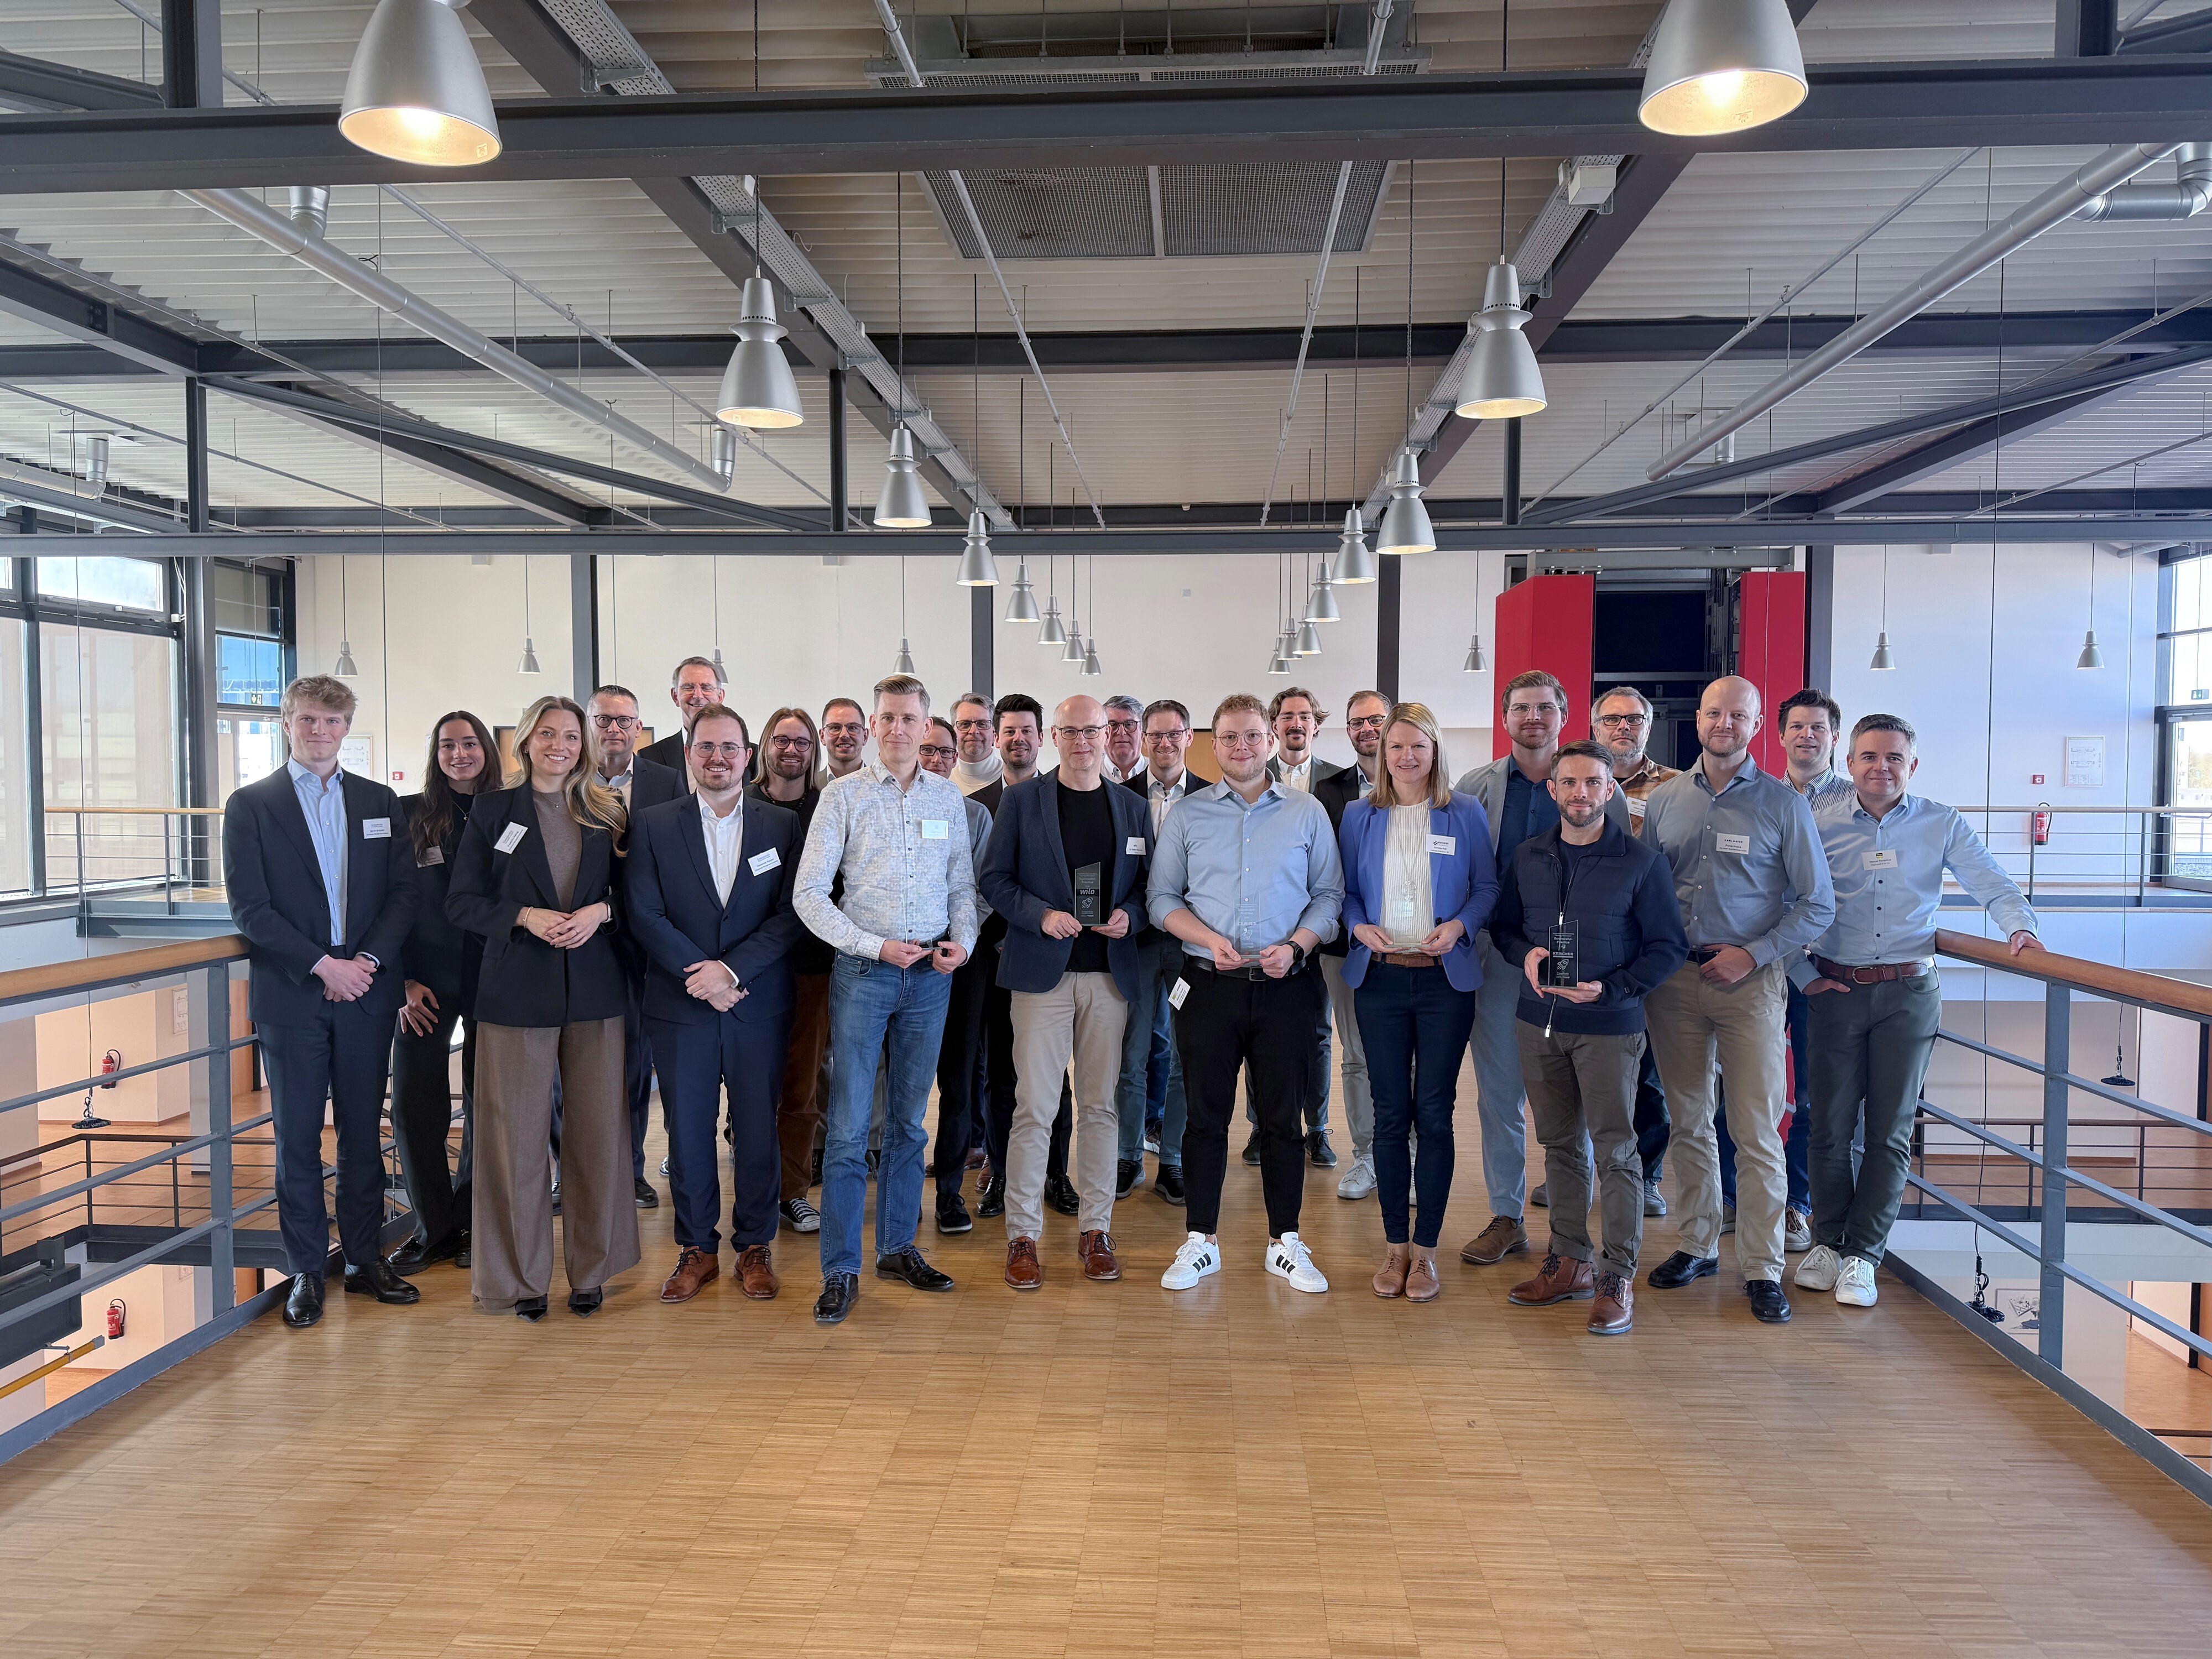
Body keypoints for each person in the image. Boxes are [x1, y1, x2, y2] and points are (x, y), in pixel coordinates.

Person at [1793, 714, 2038, 1309]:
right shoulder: (1815, 820)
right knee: (1826, 1125)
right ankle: (1826, 1242)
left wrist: (2021, 928)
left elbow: (1992, 882)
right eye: (1869, 756)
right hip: (1833, 989)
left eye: (1894, 757)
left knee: (1890, 1131)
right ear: (1848, 763)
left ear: (1912, 765)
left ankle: (1862, 1256)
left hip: (1908, 993)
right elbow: (1783, 898)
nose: (1882, 767)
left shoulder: (1940, 821)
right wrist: (1800, 975)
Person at [223, 675, 420, 1329]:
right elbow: (251, 909)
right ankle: (307, 1268)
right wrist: (320, 965)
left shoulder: (379, 801)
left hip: (364, 992)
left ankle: (365, 1261)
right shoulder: (251, 805)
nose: (319, 733)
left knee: (364, 1136)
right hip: (295, 995)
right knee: (297, 1142)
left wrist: (363, 964)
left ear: (346, 729)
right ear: (287, 723)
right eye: (308, 720)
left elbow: (402, 895)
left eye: (332, 723)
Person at [1637, 676, 1835, 1326]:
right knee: (1689, 1121)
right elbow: (1642, 895)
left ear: (1756, 726)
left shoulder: (1784, 805)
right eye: (1715, 713)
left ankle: (1762, 1266)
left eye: (1739, 715)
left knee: (1754, 1130)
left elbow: (1817, 904)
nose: (1725, 724)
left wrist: (1751, 954)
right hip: (1675, 985)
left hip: (1751, 984)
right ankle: (1696, 1243)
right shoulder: (1665, 802)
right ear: (1698, 720)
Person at [792, 674, 978, 1325]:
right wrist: (872, 948)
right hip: (865, 974)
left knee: (906, 1123)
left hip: (931, 976)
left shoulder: (947, 801)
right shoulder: (841, 797)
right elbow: (809, 894)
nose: (898, 729)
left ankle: (898, 1246)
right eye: (888, 718)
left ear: (927, 727)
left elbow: (962, 887)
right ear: (872, 726)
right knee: (847, 1130)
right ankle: (841, 1268)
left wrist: (965, 943)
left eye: (910, 719)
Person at [447, 695, 639, 1321]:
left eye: (571, 736)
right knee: (514, 1142)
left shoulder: (606, 809)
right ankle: (520, 1280)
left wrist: (600, 912)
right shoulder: (491, 810)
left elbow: (634, 897)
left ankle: (592, 1270)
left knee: (598, 1134)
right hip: (513, 993)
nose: (561, 745)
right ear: (526, 740)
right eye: (548, 734)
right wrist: (522, 916)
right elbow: (462, 903)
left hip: (595, 989)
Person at [1490, 741, 1687, 1335]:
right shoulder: (1527, 857)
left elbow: (1667, 948)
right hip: (1537, 1023)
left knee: (1616, 1151)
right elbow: (1502, 928)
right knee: (1559, 1149)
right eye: (1568, 782)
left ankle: (1615, 1275)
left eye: (1591, 783)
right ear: (1552, 790)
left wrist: (1612, 990)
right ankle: (1569, 1262)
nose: (1579, 793)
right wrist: (1525, 956)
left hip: (1608, 1028)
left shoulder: (1640, 862)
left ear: (1610, 790)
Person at [1150, 693, 1343, 1296]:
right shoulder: (1187, 816)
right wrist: (1208, 939)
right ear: (1213, 745)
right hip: (1208, 987)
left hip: (1288, 986)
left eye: (1252, 735)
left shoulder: (1307, 812)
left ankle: (1284, 1241)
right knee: (1204, 1119)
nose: (1242, 746)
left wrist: (1299, 944)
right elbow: (1161, 901)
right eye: (1229, 737)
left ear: (1271, 740)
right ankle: (1201, 1241)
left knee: (1284, 1122)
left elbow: (1329, 897)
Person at [625, 706, 805, 1306]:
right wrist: (699, 975)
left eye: (729, 747)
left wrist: (729, 971)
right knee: (688, 1134)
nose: (717, 758)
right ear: (688, 754)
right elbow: (643, 913)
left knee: (757, 1129)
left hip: (756, 1002)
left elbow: (790, 915)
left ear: (747, 755)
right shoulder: (652, 824)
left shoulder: (780, 827)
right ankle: (696, 1248)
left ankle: (754, 1246)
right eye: (705, 747)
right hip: (682, 1008)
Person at [1453, 671, 1629, 1271]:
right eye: (1521, 708)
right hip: (1502, 956)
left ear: (1564, 714)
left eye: (1545, 707)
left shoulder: (1600, 786)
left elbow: (1623, 875)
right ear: (1505, 718)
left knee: (1572, 1094)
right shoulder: (1473, 789)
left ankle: (1568, 1218)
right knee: (1500, 1095)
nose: (1533, 717)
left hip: (1581, 965)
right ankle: (1506, 1215)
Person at [980, 694, 1152, 1289]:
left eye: (1093, 731)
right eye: (1071, 731)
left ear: (1109, 735)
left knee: (1101, 1107)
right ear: (1054, 737)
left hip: (1109, 973)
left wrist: (1131, 914)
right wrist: (1040, 915)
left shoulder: (1132, 808)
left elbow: (1149, 886)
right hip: (1040, 976)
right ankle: (1022, 1236)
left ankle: (1094, 1230)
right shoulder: (1023, 801)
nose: (1083, 741)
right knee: (1035, 1108)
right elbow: (994, 880)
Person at [1337, 702, 1497, 1303]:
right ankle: (1393, 1249)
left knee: (1433, 1112)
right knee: (1388, 1113)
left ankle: (1426, 1253)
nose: (1406, 757)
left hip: (1441, 982)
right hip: (1378, 979)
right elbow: (1348, 892)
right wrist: (1357, 928)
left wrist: (1459, 927)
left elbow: (1487, 887)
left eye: (1417, 747)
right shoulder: (1358, 815)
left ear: (1435, 751)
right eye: (1396, 747)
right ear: (1382, 754)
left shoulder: (1464, 813)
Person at [1718, 686, 1845, 1253]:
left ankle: (1795, 1205)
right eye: (1797, 726)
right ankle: (1733, 1198)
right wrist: (1789, 963)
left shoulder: (1855, 804)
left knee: (1814, 1099)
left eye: (1819, 727)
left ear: (1833, 737)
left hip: (1829, 976)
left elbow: (1824, 898)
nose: (1807, 735)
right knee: (1736, 1092)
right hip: (1766, 970)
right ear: (1779, 733)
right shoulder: (1754, 799)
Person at [388, 709, 495, 1276]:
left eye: (469, 743)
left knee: (489, 1107)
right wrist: (401, 980)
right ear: (436, 753)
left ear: (486, 750)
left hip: (494, 977)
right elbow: (389, 901)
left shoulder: (509, 809)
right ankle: (432, 1229)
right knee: (413, 1106)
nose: (459, 754)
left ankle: (473, 1225)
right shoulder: (409, 816)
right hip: (423, 984)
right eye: (448, 745)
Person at [974, 692, 1074, 1218]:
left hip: (1046, 955)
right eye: (1007, 731)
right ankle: (1001, 1170)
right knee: (999, 1072)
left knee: (1052, 1072)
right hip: (991, 957)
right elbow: (978, 882)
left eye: (1026, 730)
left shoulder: (1062, 795)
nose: (1017, 739)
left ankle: (1056, 1173)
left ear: (1043, 738)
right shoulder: (977, 804)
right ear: (997, 738)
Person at [589, 683, 685, 1208]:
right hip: (584, 942)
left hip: (646, 941)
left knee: (635, 1064)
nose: (615, 729)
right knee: (578, 1070)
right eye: (604, 719)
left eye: (625, 721)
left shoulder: (667, 781)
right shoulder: (569, 780)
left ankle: (632, 1172)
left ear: (639, 727)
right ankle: (578, 1172)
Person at [1255, 685, 1344, 1169]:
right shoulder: (1252, 775)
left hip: (1319, 930)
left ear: (1316, 725)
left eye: (1304, 716)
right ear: (1275, 725)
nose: (1295, 723)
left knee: (1318, 1034)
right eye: (1287, 715)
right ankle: (1258, 1127)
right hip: (1267, 929)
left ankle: (1319, 1129)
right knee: (1260, 1030)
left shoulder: (1336, 783)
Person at [750, 706, 831, 1233]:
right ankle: (755, 1189)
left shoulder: (829, 805)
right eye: (782, 740)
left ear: (813, 750)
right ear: (765, 746)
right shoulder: (740, 803)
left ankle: (794, 1190)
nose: (791, 750)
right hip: (748, 967)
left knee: (801, 1085)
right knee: (751, 1086)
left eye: (802, 742)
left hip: (812, 964)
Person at [1116, 698, 1196, 1206]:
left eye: (1174, 735)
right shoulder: (1117, 797)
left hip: (1193, 948)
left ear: (1189, 736)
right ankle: (1127, 1156)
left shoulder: (1216, 797)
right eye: (1156, 735)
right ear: (1142, 740)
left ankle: (1174, 1161)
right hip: (1138, 944)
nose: (1164, 744)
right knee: (1133, 1053)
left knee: (1188, 1055)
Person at [922, 714, 997, 1236]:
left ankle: (950, 1194)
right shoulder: (878, 806)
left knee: (957, 1081)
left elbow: (985, 889)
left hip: (962, 963)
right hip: (896, 961)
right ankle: (895, 1194)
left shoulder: (974, 816)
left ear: (956, 760)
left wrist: (958, 942)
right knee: (899, 1086)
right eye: (928, 750)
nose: (936, 760)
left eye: (945, 753)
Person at [1316, 688, 1388, 1201]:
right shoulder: (1328, 790)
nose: (1367, 729)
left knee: (1406, 1058)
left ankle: (1402, 1153)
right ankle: (1366, 1156)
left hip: (1414, 944)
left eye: (1376, 720)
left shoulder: (1425, 786)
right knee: (1357, 1053)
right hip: (1345, 944)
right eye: (1357, 722)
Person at [636, 655, 727, 776]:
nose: (698, 695)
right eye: (689, 687)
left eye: (706, 688)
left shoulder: (751, 757)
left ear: (720, 697)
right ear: (675, 696)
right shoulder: (651, 757)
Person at [950, 692, 1003, 797]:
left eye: (982, 724)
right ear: (953, 731)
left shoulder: (1009, 780)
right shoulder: (946, 781)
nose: (974, 731)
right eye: (965, 724)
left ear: (994, 731)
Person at [819, 697, 868, 781]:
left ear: (865, 736)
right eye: (835, 728)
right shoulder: (807, 787)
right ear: (822, 736)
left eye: (853, 728)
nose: (844, 735)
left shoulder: (885, 788)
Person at [1102, 694, 1145, 784]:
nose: (1121, 732)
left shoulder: (1157, 773)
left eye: (1129, 724)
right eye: (1113, 725)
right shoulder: (1089, 773)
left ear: (1143, 730)